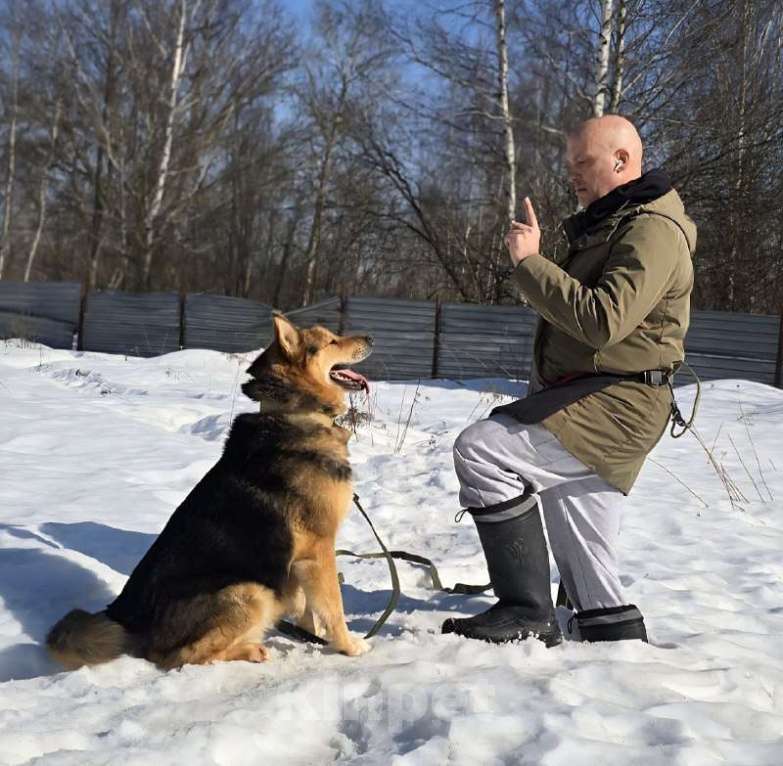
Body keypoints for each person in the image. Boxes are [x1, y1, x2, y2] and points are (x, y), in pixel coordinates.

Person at [442, 115, 696, 646]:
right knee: (590, 579)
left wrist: (531, 264)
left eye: (582, 162)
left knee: (482, 451)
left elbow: (604, 320)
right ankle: (615, 643)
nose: (573, 175)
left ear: (621, 160)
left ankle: (524, 609)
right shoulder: (619, 221)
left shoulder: (651, 229)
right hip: (596, 397)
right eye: (570, 165)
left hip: (615, 405)